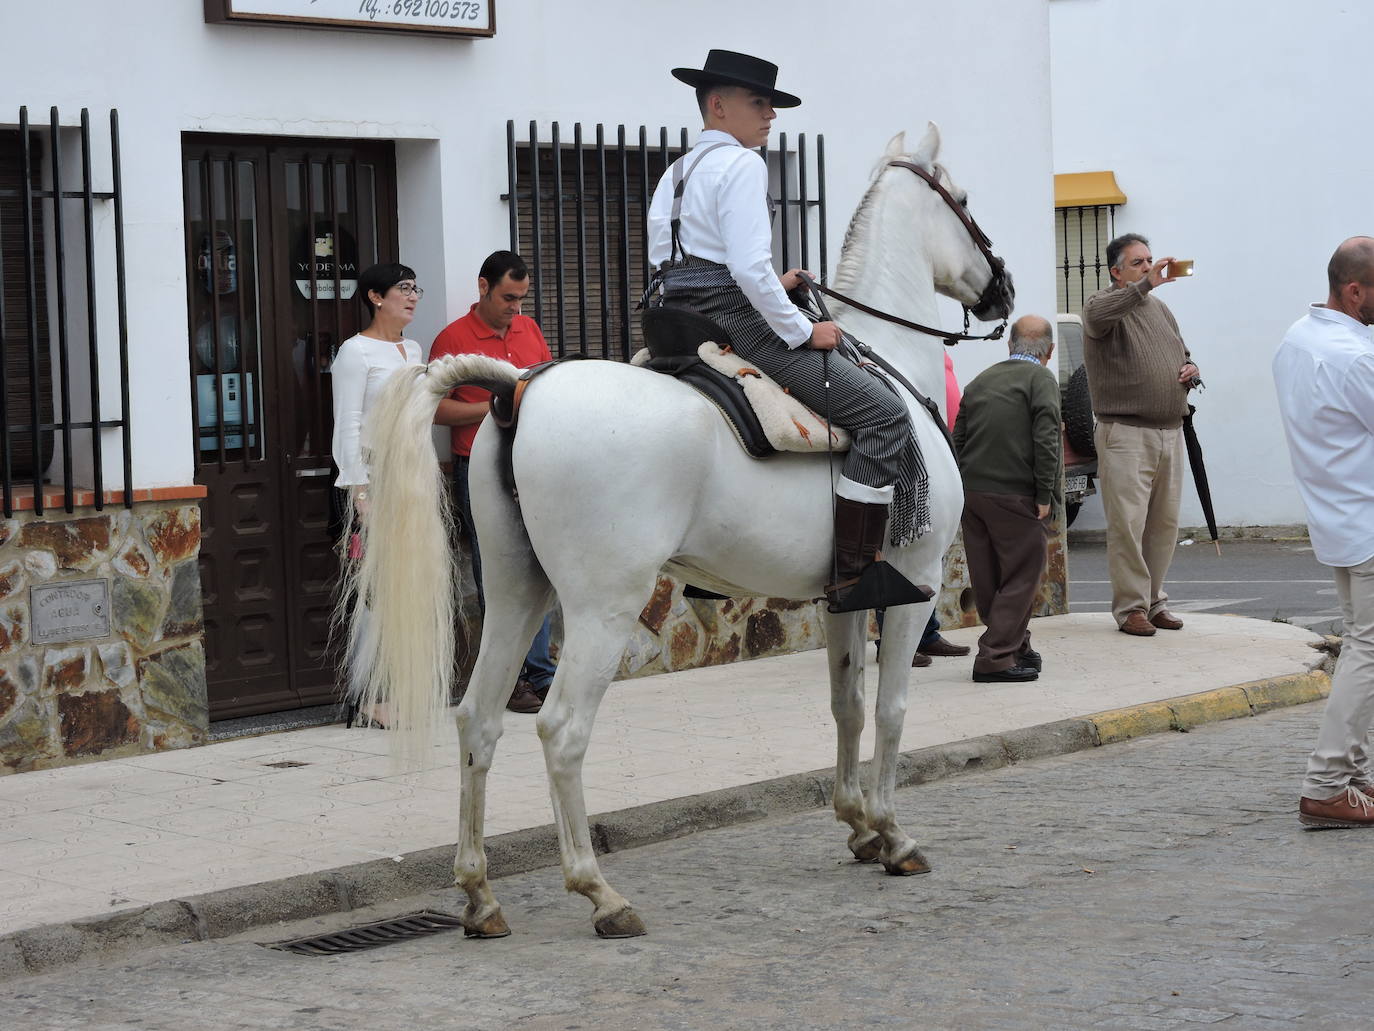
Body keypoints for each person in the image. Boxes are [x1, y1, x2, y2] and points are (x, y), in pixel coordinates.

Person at [647, 49, 928, 614]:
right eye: (758, 103)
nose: (770, 115)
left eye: (771, 105)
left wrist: (776, 284)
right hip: (732, 319)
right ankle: (853, 573)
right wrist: (803, 330)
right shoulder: (743, 165)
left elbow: (681, 263)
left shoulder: (675, 172)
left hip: (672, 318)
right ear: (718, 105)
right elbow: (748, 269)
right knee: (883, 413)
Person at [1273, 236, 1374, 828]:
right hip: (1367, 516)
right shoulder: (1353, 357)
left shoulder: (1297, 338)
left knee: (1363, 644)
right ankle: (1328, 781)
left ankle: (1353, 775)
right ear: (1355, 291)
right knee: (1368, 651)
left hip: (1338, 516)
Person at [429, 250, 557, 714]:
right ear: (483, 287)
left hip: (533, 463)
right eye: (508, 298)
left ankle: (541, 673)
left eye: (522, 298)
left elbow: (546, 387)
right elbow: (435, 408)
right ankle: (510, 678)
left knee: (541, 565)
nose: (516, 308)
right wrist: (493, 407)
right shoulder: (453, 338)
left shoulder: (530, 329)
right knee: (497, 570)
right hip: (480, 468)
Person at [1082, 233, 1200, 637]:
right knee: (1128, 526)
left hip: (1169, 431)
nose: (1149, 267)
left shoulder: (1161, 309)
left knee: (1163, 526)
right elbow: (1098, 319)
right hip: (1126, 433)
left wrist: (1191, 368)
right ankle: (1131, 607)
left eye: (1149, 260)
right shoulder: (1100, 304)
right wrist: (1145, 286)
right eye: (1138, 263)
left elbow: (1181, 352)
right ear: (1116, 272)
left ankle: (1153, 601)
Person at [330, 261, 425, 728]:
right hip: (372, 477)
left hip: (412, 477)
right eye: (402, 288)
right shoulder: (356, 351)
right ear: (375, 297)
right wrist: (359, 491)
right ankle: (369, 693)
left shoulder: (414, 349)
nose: (412, 296)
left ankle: (403, 684)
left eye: (415, 289)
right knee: (374, 590)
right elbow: (348, 422)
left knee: (409, 584)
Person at [952, 315, 1061, 683]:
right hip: (1016, 494)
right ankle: (995, 657)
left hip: (972, 493)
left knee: (989, 578)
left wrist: (960, 488)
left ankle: (1016, 646)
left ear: (1010, 344)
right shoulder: (1041, 379)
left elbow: (958, 438)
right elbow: (1047, 438)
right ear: (1050, 350)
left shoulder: (980, 380)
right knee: (1020, 578)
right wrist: (1045, 493)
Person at [877, 352, 972, 666]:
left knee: (930, 555)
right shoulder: (895, 352)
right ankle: (892, 640)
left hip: (937, 458)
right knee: (899, 556)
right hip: (912, 458)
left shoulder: (934, 353)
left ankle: (927, 634)